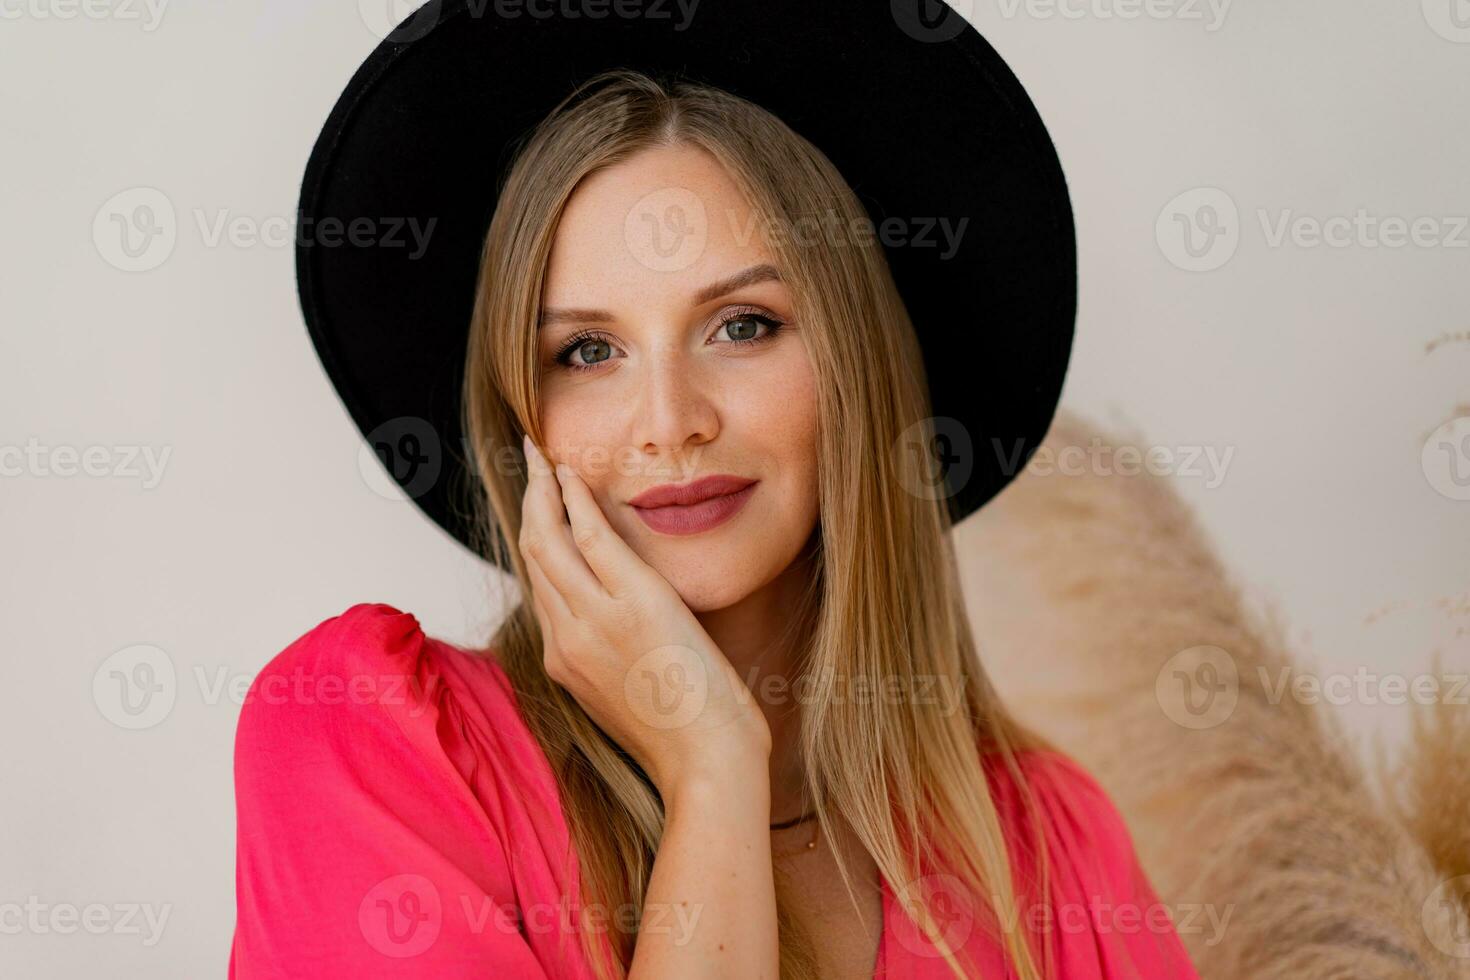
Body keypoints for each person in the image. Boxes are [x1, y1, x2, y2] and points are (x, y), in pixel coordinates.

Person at [230, 17, 1200, 980]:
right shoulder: (371, 746)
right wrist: (712, 762)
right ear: (522, 423)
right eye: (586, 351)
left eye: (743, 324)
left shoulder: (1050, 849)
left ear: (855, 365)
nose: (670, 419)